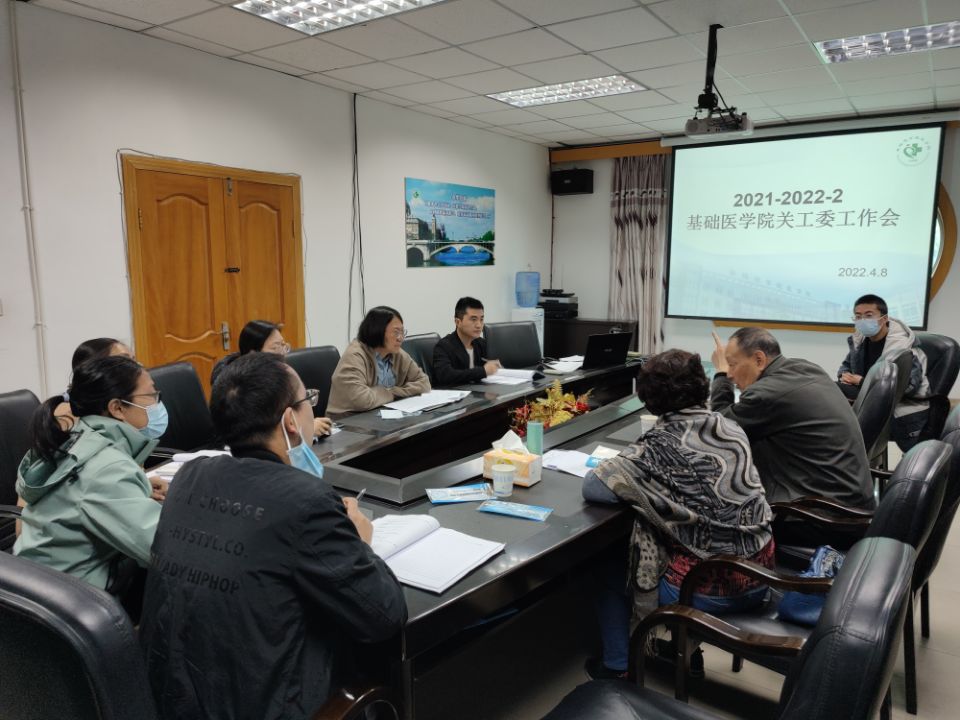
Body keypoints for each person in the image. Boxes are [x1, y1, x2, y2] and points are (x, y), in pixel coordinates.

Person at [139, 352, 407, 720]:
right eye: (308, 400)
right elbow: (384, 615)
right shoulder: (305, 501)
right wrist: (361, 541)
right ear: (290, 421)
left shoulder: (190, 476)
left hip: (176, 701)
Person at [581, 349, 774, 680]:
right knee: (691, 534)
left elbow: (594, 487)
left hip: (707, 588)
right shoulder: (729, 426)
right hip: (762, 574)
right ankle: (685, 651)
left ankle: (618, 667)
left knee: (607, 562)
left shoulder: (658, 446)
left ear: (649, 398)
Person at [15, 356, 164, 593]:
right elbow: (163, 549)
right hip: (72, 600)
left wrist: (140, 488)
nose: (157, 404)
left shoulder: (76, 438)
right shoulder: (106, 467)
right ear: (117, 408)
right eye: (152, 396)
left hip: (37, 585)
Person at [710, 327, 874, 511]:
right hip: (847, 498)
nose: (730, 375)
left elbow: (718, 430)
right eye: (727, 367)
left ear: (759, 359)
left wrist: (720, 374)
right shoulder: (805, 368)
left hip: (822, 512)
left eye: (732, 364)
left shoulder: (768, 393)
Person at [838, 293, 930, 450]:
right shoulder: (860, 341)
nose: (862, 321)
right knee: (831, 391)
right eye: (858, 317)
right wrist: (844, 375)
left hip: (902, 405)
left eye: (868, 315)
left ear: (884, 318)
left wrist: (862, 381)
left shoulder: (903, 348)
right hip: (870, 398)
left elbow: (908, 387)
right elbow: (846, 365)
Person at [211, 319, 333, 435]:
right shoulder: (240, 387)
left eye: (283, 345)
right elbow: (264, 433)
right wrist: (305, 429)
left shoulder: (273, 376)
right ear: (253, 354)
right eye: (275, 348)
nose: (283, 354)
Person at [327, 306, 431, 414]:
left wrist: (393, 392)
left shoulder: (397, 354)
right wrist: (392, 393)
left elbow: (424, 383)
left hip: (383, 415)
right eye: (396, 332)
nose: (400, 338)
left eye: (402, 332)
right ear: (377, 331)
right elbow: (361, 400)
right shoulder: (355, 355)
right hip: (348, 419)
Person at [54, 337, 134, 428]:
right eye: (124, 360)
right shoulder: (67, 414)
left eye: (133, 360)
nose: (136, 367)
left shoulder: (132, 402)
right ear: (93, 369)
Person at [432, 296, 501, 386]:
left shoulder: (481, 344)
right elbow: (446, 376)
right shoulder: (444, 346)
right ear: (458, 322)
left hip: (478, 392)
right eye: (473, 319)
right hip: (455, 393)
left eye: (481, 319)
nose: (479, 325)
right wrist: (483, 371)